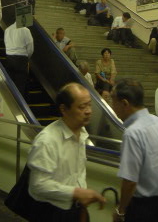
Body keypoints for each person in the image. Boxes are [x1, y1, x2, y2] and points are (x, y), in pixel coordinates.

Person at [27, 83, 106, 221]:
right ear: (64, 109)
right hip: (53, 212)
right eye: (82, 107)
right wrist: (77, 193)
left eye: (89, 105)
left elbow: (77, 173)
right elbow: (37, 185)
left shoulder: (82, 132)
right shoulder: (47, 140)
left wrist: (81, 204)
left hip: (75, 209)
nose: (88, 111)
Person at [111, 79, 158, 222]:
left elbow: (130, 181)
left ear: (124, 104)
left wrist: (121, 211)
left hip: (142, 208)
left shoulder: (132, 133)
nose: (112, 107)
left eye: (113, 102)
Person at [4, 22, 34, 97]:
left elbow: (6, 43)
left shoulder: (7, 30)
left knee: (10, 83)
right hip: (21, 59)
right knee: (20, 85)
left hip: (9, 58)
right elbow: (30, 47)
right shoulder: (25, 30)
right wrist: (27, 58)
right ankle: (19, 105)